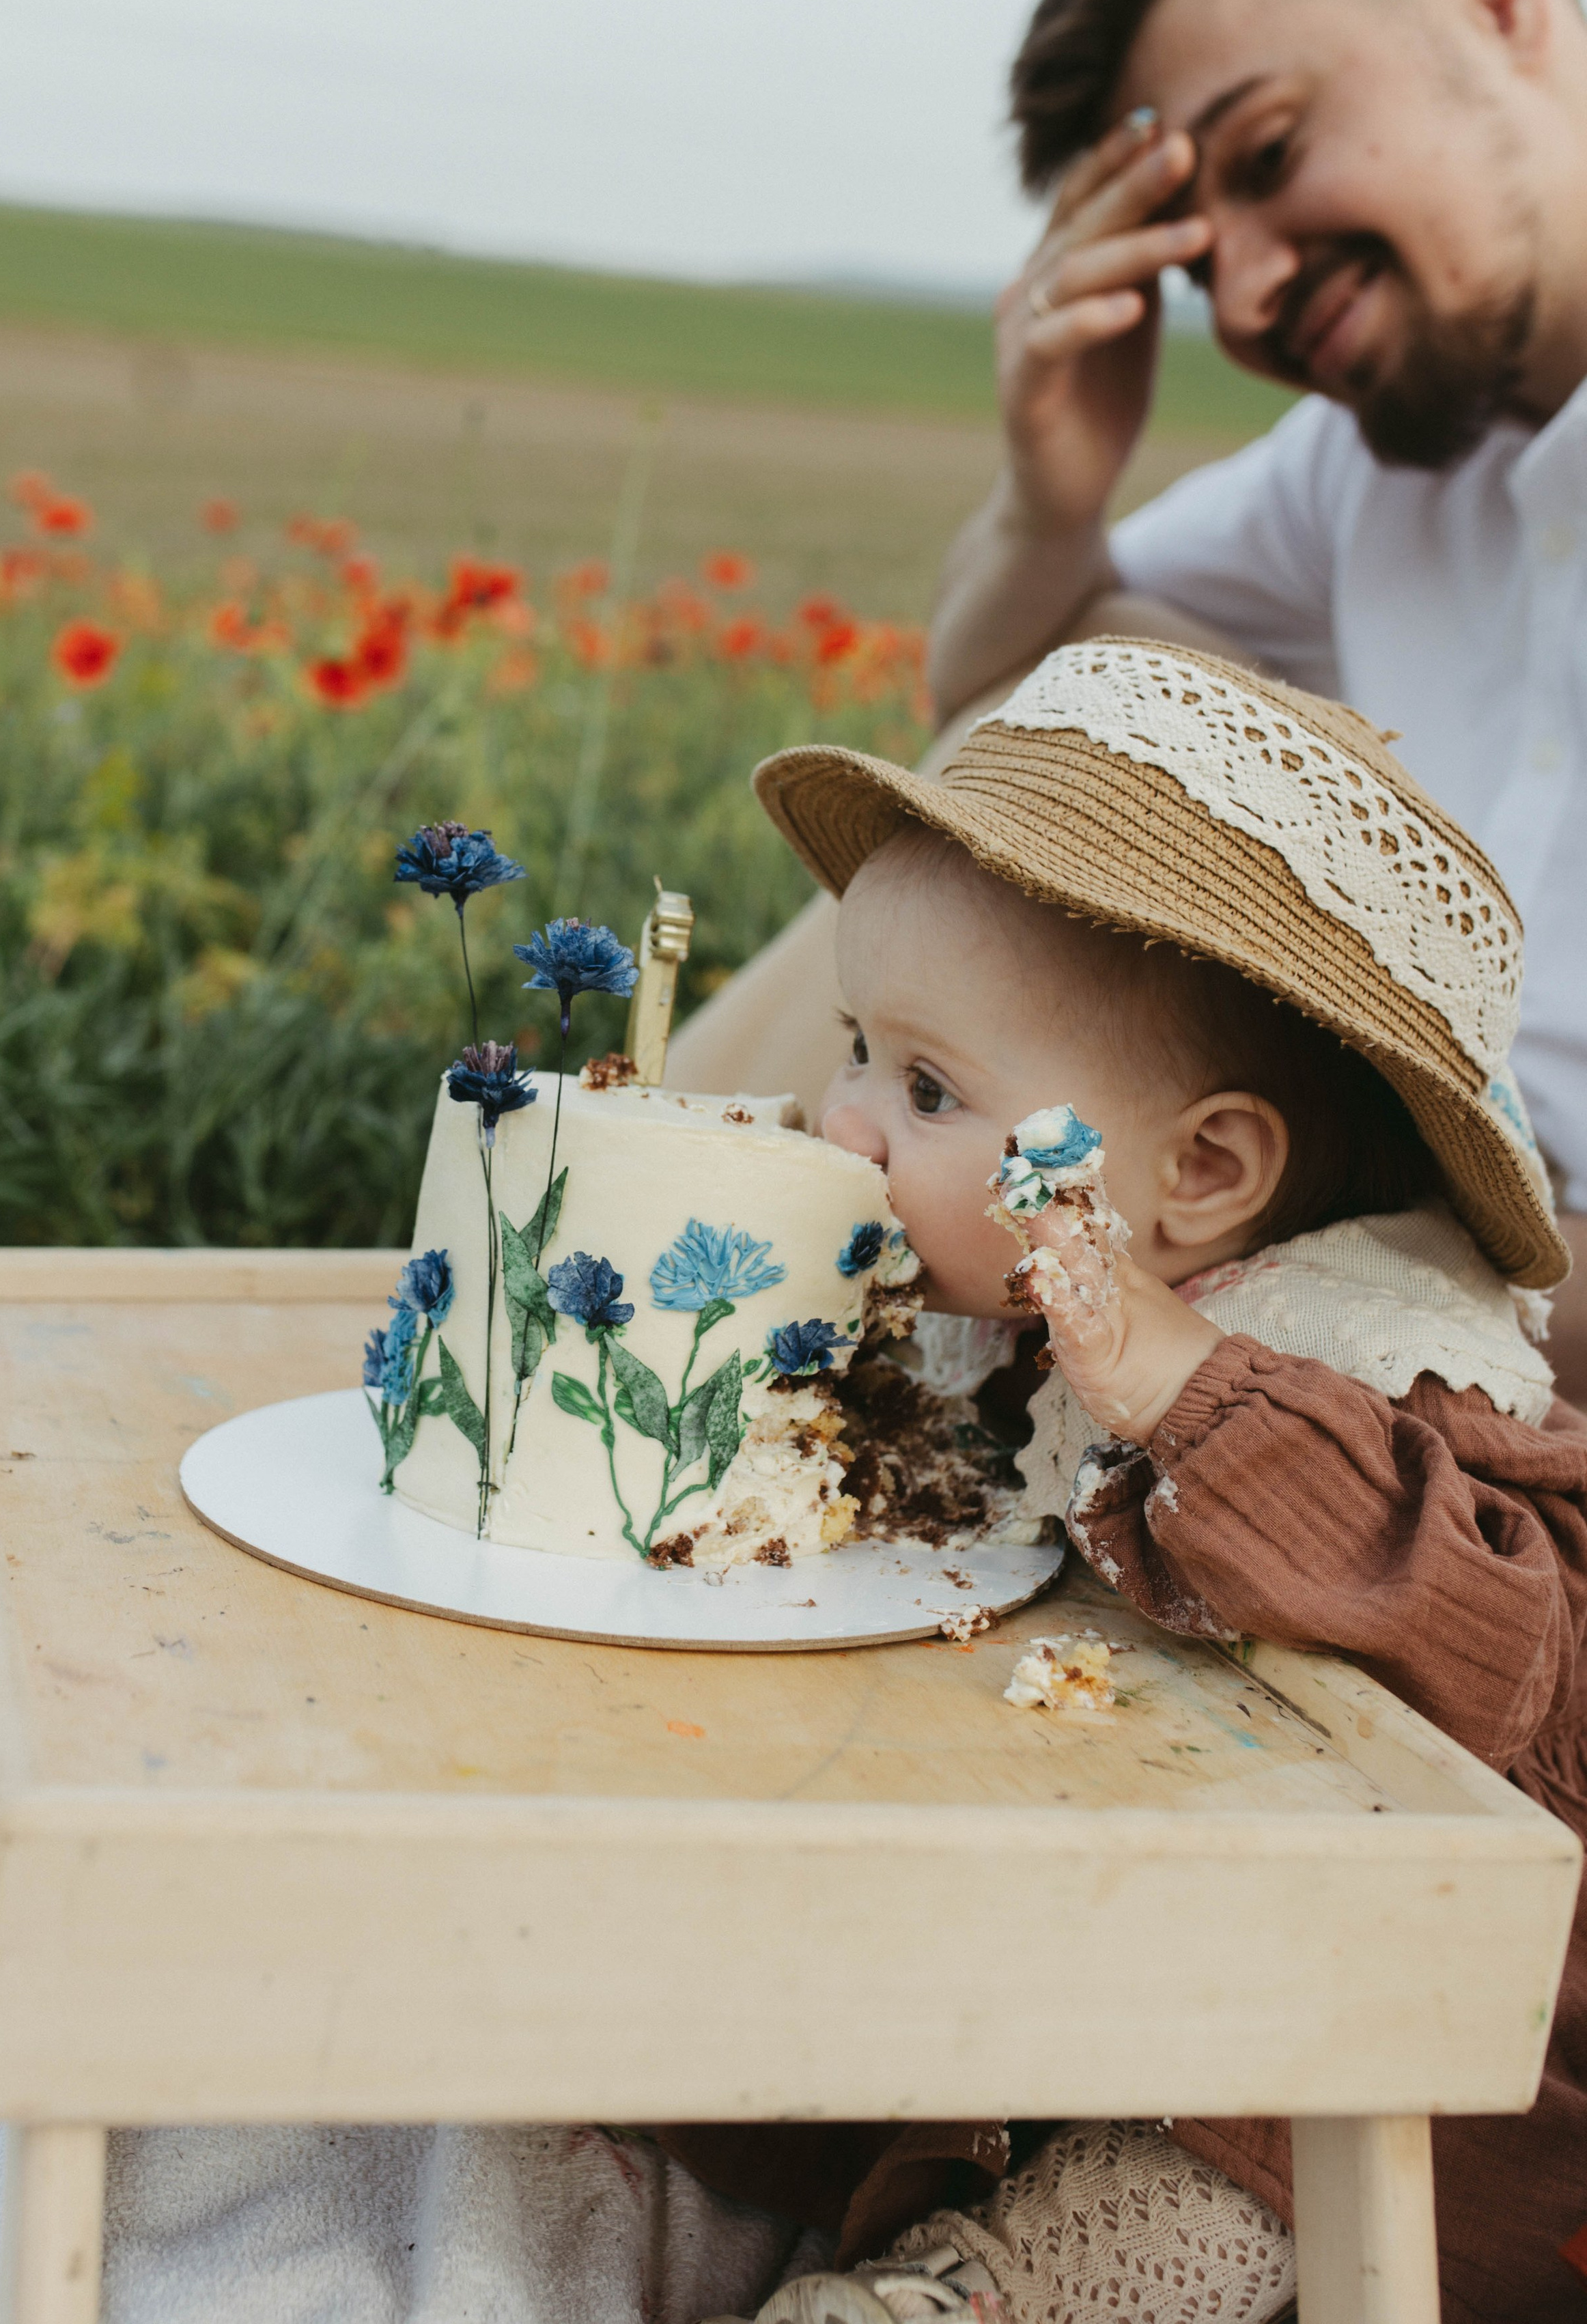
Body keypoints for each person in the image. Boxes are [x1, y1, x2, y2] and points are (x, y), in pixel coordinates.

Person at [669, 639, 1587, 2323]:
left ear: (1203, 1175)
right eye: (857, 1046)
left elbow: (1510, 1653)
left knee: (1225, 2136)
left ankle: (986, 2295)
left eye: (927, 1087)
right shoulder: (1013, 1304)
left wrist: (1175, 1386)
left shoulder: (1381, 1372)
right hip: (1131, 1898)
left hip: (1412, 2036)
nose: (848, 1126)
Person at [667, 0, 1587, 1401]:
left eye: (1268, 150)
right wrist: (1050, 494)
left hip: (1491, 1314)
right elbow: (994, 690)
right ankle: (638, 1311)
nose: (1238, 288)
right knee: (1043, 748)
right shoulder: (1365, 467)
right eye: (1179, 253)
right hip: (1294, 1219)